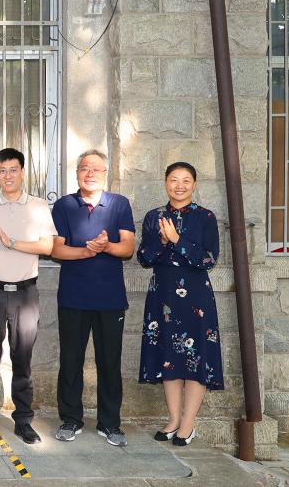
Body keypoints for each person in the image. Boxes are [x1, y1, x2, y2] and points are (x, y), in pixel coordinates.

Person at [0, 148, 56, 445]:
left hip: (25, 294)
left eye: (13, 169)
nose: (8, 175)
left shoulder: (38, 206)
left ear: (22, 172)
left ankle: (23, 420)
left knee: (22, 358)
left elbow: (47, 247)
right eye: (2, 170)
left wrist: (12, 242)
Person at [50, 149, 136, 447]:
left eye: (96, 169)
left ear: (105, 174)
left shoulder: (119, 204)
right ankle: (70, 419)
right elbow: (56, 249)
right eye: (84, 168)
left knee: (110, 362)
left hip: (110, 299)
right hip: (73, 297)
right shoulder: (64, 205)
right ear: (77, 173)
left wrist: (106, 246)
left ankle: (110, 423)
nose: (90, 173)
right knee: (70, 360)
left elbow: (127, 248)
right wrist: (88, 251)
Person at [137, 162, 224, 446]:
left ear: (194, 184)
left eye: (186, 180)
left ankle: (188, 423)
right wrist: (163, 241)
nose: (180, 186)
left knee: (196, 356)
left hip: (196, 297)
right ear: (166, 182)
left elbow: (209, 259)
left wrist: (177, 239)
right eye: (174, 179)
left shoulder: (206, 217)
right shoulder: (154, 217)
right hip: (162, 296)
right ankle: (174, 419)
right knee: (168, 356)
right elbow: (144, 258)